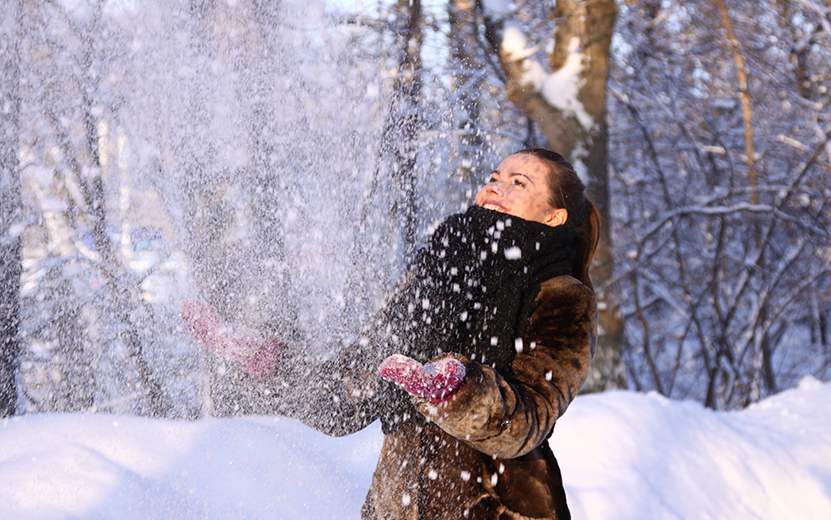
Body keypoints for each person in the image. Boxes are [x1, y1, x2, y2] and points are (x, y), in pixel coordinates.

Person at [180, 148, 599, 520]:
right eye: (493, 177)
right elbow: (346, 397)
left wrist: (455, 391)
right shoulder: (436, 273)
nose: (495, 186)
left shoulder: (562, 295)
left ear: (553, 216)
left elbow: (528, 419)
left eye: (517, 182)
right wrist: (269, 362)